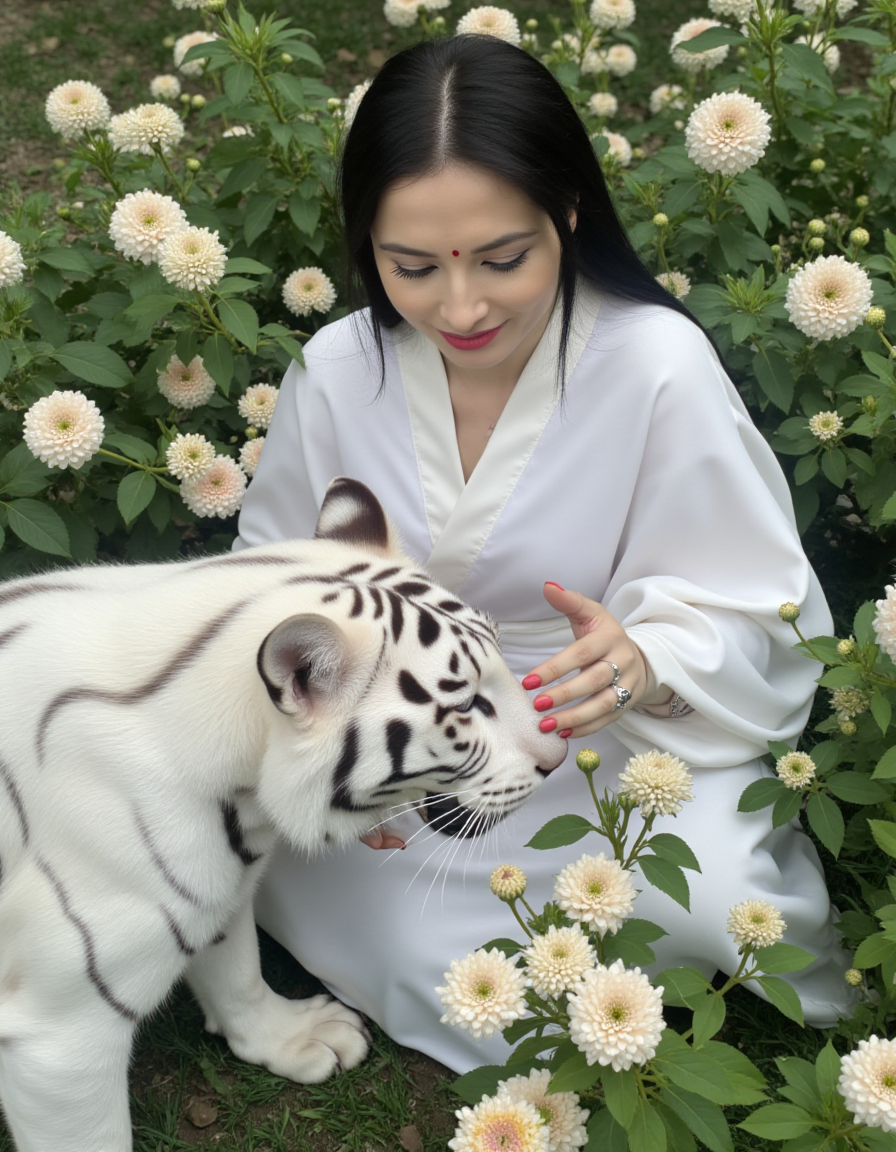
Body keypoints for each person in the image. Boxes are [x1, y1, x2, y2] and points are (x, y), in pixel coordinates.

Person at [234, 34, 854, 1073]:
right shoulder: (339, 368)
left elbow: (756, 599)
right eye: (411, 267)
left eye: (501, 259)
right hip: (404, 736)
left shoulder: (654, 363)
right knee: (382, 918)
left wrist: (644, 657)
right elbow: (270, 588)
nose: (460, 308)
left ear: (567, 211)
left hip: (598, 729)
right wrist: (346, 757)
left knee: (716, 902)